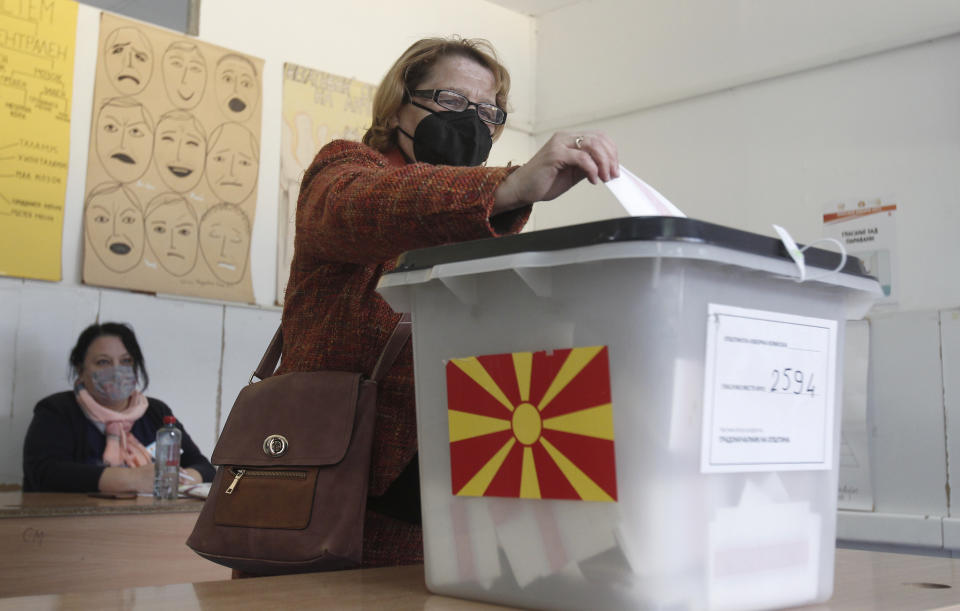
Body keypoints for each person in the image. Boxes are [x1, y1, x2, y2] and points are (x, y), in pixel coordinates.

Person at [279, 36, 619, 568]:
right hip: (321, 494)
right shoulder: (345, 170)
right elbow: (364, 209)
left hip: (444, 507)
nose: (473, 123)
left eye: (488, 112)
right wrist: (510, 185)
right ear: (398, 107)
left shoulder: (483, 226)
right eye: (453, 102)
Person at [22, 322, 215, 493]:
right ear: (80, 369)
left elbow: (204, 467)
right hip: (76, 525)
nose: (116, 370)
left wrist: (177, 479)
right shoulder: (57, 410)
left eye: (126, 361)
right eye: (103, 362)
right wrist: (131, 479)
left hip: (150, 522)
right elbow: (44, 473)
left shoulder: (156, 411)